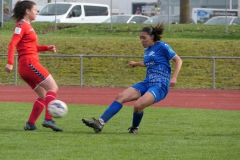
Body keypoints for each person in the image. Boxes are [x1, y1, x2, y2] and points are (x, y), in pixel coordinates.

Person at [82, 23, 182, 134]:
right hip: (147, 82)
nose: (141, 41)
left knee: (138, 105)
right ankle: (100, 123)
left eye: (144, 38)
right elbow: (149, 63)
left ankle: (134, 128)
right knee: (121, 97)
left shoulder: (163, 46)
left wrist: (174, 77)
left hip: (160, 85)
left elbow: (178, 60)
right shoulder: (147, 50)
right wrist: (136, 63)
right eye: (140, 38)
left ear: (152, 36)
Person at [5, 0, 63, 132]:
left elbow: (30, 47)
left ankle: (30, 123)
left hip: (26, 65)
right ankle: (48, 119)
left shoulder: (27, 26)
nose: (37, 12)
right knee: (53, 87)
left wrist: (46, 48)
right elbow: (12, 44)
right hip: (29, 63)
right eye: (35, 9)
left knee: (43, 95)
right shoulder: (22, 25)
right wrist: (10, 62)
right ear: (27, 11)